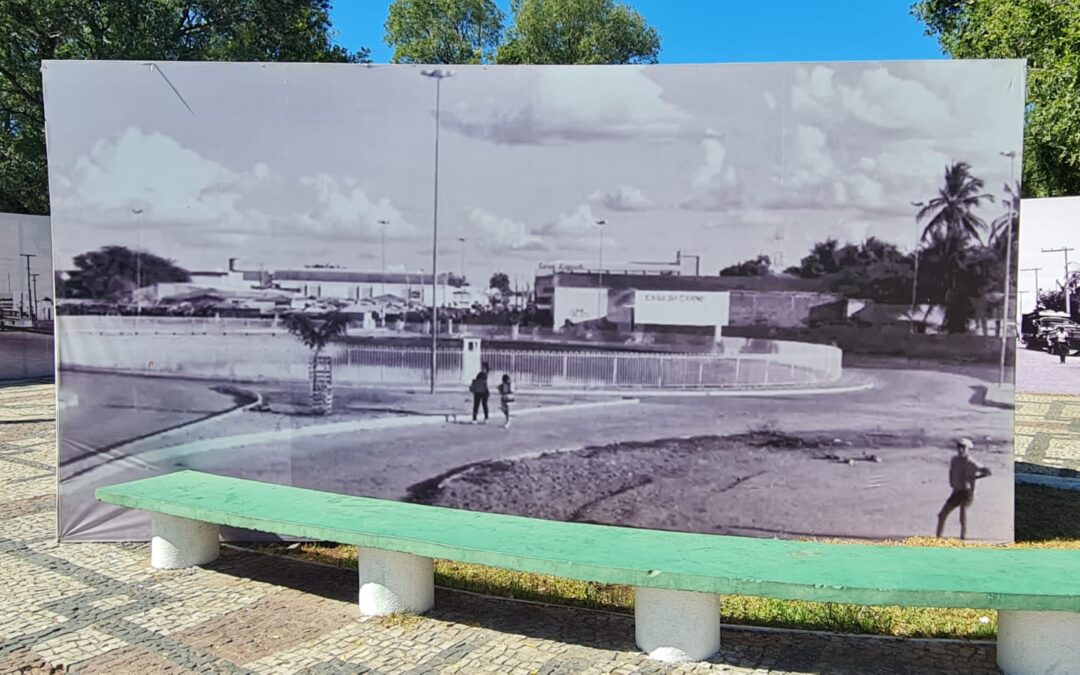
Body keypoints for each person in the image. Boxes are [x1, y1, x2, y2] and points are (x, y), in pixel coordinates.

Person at [935, 438, 992, 540]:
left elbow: (988, 472)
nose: (960, 449)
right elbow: (951, 471)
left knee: (962, 518)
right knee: (941, 515)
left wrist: (974, 478)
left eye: (963, 447)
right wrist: (952, 482)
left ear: (968, 449)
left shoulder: (971, 462)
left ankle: (963, 540)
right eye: (959, 447)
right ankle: (938, 539)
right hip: (956, 491)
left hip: (967, 492)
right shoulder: (954, 459)